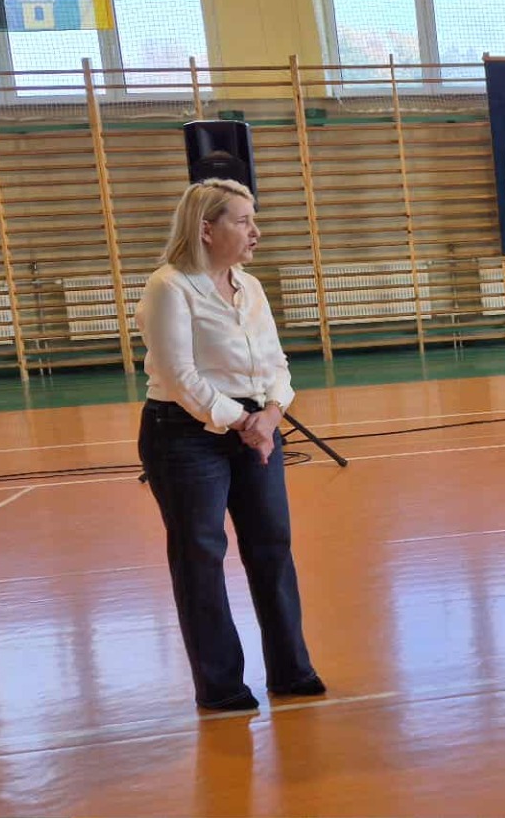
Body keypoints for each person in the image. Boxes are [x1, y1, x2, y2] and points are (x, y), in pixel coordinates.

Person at [137, 178, 323, 712]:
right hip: (185, 435)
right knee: (200, 554)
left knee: (272, 545)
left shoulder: (251, 287)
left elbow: (277, 364)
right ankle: (220, 685)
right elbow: (181, 378)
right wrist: (245, 422)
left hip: (255, 426)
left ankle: (291, 670)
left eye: (252, 220)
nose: (255, 231)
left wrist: (271, 414)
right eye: (243, 221)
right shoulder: (169, 287)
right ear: (206, 229)